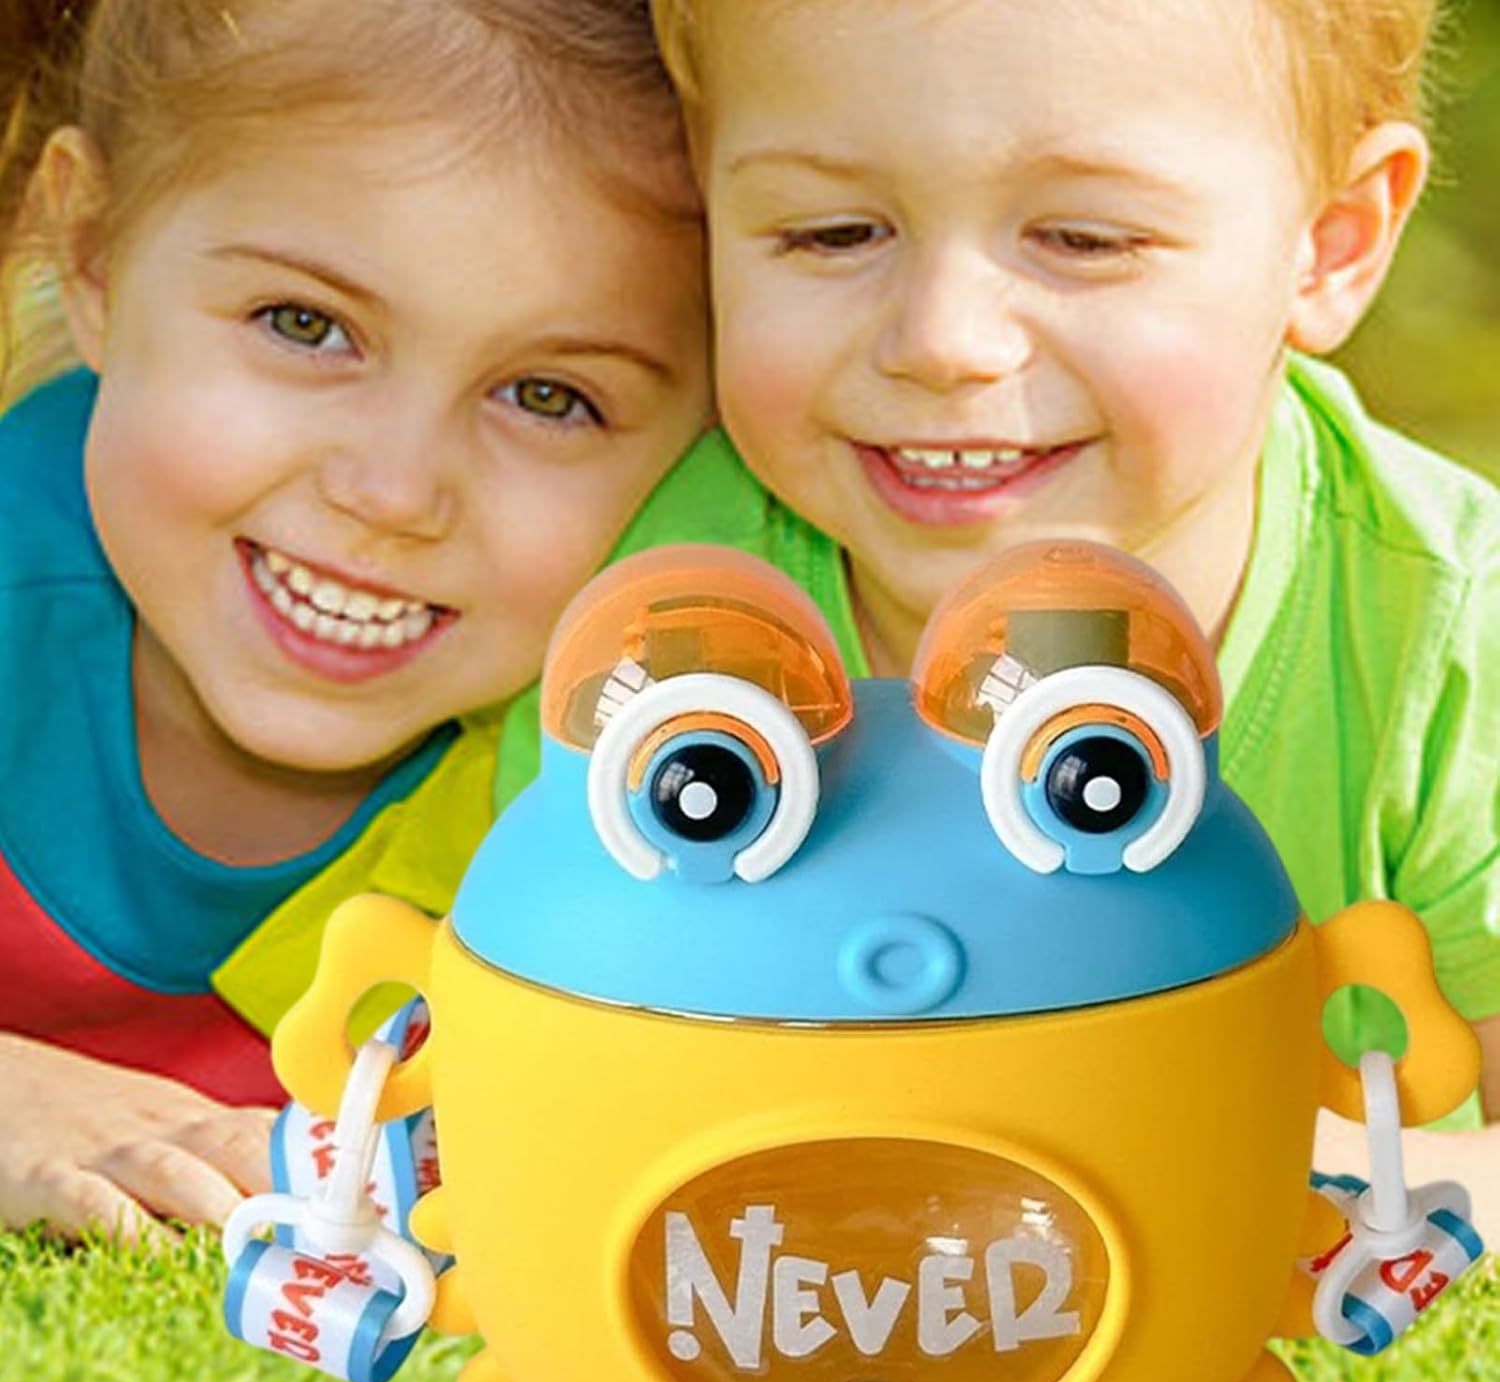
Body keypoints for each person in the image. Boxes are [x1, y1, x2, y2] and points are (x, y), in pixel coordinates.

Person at [645, 0, 1500, 1242]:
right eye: (832, 231)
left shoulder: (1444, 635)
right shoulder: (671, 608)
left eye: (1085, 240)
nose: (944, 342)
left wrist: (1306, 1178)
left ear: (1329, 245)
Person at [0, 0, 718, 1242]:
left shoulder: (655, 762)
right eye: (307, 326)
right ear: (97, 250)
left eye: (548, 397)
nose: (391, 493)